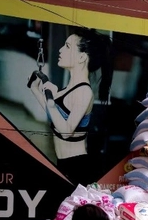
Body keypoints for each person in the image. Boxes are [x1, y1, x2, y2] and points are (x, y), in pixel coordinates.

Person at [28, 29, 113, 184]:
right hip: (63, 163)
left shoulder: (84, 92)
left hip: (77, 166)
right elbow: (53, 114)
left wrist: (51, 102)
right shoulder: (68, 89)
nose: (60, 50)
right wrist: (35, 89)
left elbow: (67, 131)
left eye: (67, 46)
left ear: (81, 57)